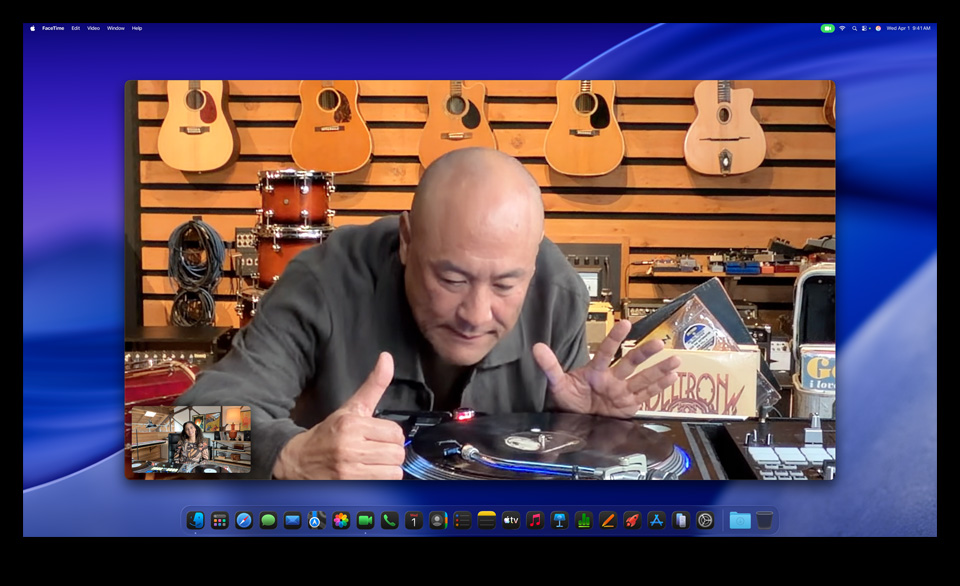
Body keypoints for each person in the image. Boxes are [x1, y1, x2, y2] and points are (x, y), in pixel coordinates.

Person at [178, 147, 681, 478]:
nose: (475, 314)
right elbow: (172, 439)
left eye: (506, 284)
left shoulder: (558, 293)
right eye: (452, 279)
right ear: (406, 240)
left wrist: (589, 433)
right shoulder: (322, 280)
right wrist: (287, 456)